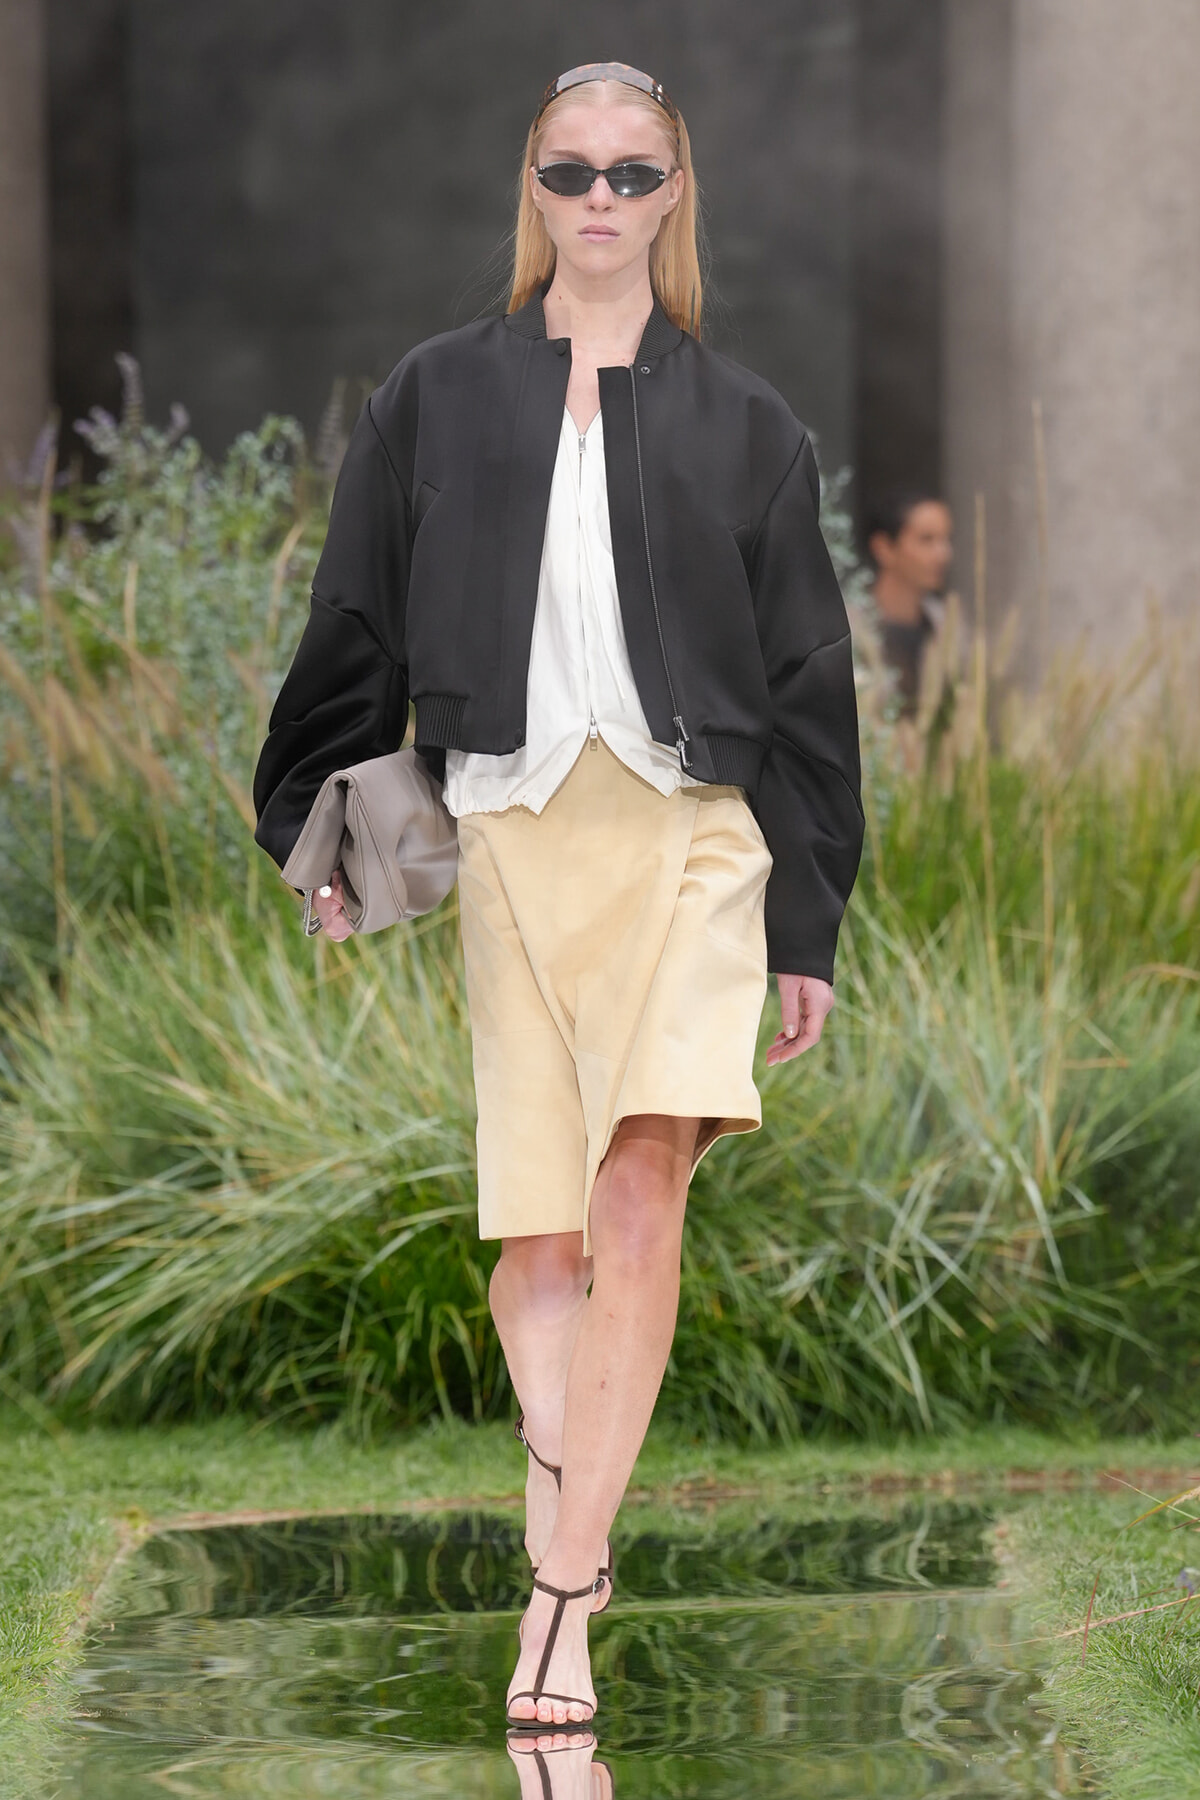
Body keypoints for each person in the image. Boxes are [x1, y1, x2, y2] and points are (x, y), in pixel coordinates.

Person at [252, 61, 863, 1736]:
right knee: (537, 1240)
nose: (601, 200)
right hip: (513, 832)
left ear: (676, 197)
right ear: (533, 183)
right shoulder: (439, 398)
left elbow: (812, 689)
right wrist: (323, 832)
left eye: (634, 174)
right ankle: (572, 1463)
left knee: (640, 1194)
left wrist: (803, 923)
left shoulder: (748, 422)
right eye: (572, 168)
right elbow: (354, 619)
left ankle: (564, 1596)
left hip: (689, 837)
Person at [865, 489, 954, 716]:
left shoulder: (948, 625)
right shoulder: (850, 628)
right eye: (927, 540)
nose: (943, 554)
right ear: (883, 548)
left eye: (946, 539)